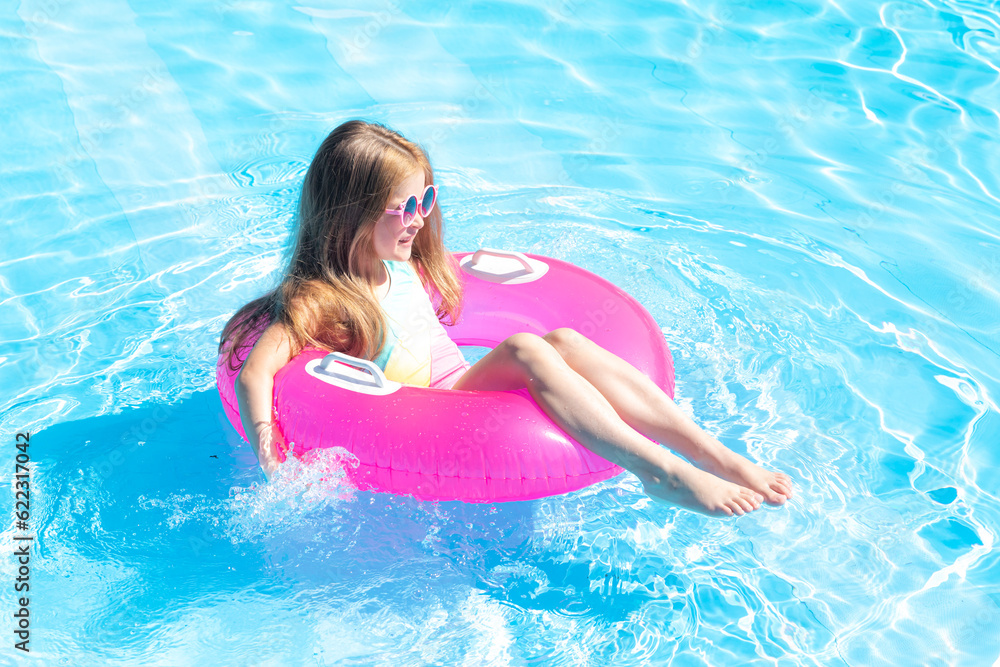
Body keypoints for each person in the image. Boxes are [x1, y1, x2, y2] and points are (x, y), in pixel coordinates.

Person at [218, 120, 793, 517]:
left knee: (562, 337)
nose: (420, 219)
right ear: (352, 213)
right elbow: (255, 374)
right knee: (525, 348)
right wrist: (271, 453)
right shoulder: (322, 300)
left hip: (460, 390)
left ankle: (715, 454)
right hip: (434, 415)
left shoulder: (405, 264)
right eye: (405, 207)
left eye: (427, 200)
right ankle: (659, 471)